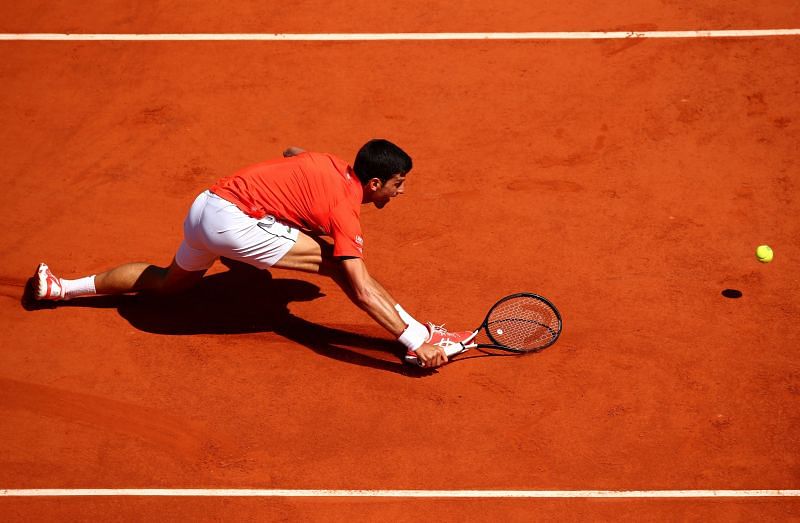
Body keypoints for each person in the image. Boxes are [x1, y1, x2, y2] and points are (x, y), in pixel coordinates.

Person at [30, 139, 472, 368]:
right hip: (233, 223)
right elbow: (359, 289)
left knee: (169, 283)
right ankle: (418, 336)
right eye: (398, 184)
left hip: (205, 205)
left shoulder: (330, 162)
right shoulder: (345, 211)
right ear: (374, 184)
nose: (402, 192)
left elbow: (294, 152)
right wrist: (415, 341)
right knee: (341, 267)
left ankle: (61, 288)